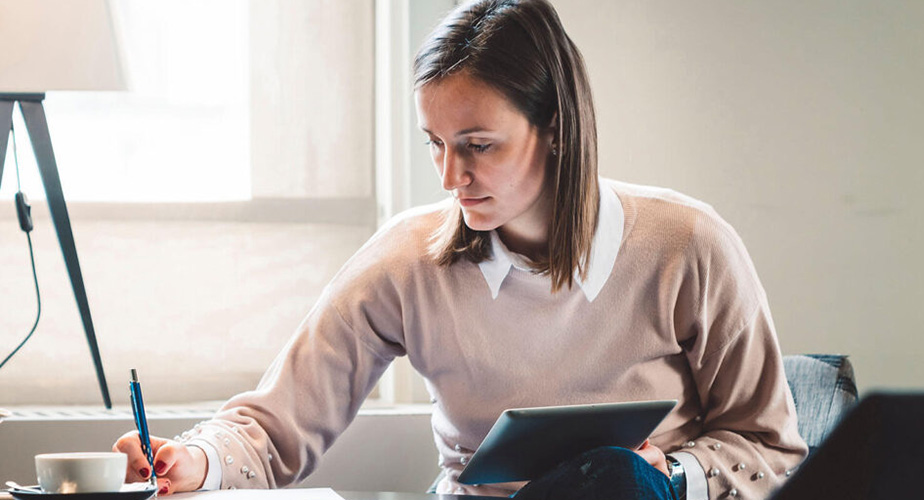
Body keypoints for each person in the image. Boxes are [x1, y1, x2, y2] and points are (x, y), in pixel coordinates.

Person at [113, 0, 807, 498]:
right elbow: (275, 425)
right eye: (436, 146)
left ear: (556, 128)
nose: (451, 178)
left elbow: (773, 449)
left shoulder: (687, 246)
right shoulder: (408, 262)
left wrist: (675, 475)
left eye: (478, 146)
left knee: (617, 478)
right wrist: (195, 459)